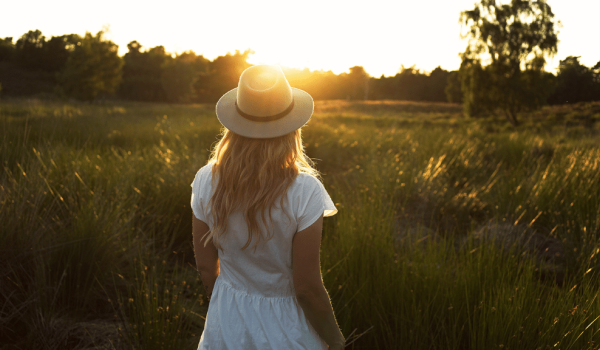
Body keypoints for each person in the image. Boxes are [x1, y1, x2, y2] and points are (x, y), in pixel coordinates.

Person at [191, 65, 345, 350]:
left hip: (226, 321)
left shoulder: (205, 180)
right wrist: (335, 339)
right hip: (287, 328)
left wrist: (228, 304)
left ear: (234, 126)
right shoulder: (304, 191)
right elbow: (307, 288)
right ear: (291, 128)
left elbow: (204, 265)